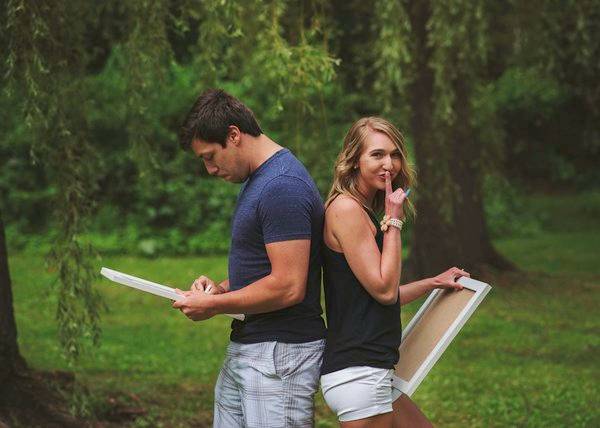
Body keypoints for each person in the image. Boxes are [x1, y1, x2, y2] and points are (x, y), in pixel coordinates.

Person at [173, 89, 326, 427]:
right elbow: (266, 268)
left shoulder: (282, 185)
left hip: (279, 355)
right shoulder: (260, 179)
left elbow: (288, 286)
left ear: (233, 135)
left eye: (210, 156)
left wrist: (213, 306)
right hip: (251, 344)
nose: (210, 169)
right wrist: (221, 289)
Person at [320, 117, 470, 427]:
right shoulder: (347, 209)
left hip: (372, 371)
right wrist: (394, 221)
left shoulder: (359, 210)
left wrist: (433, 283)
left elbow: (375, 296)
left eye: (395, 154)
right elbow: (384, 290)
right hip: (361, 372)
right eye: (377, 154)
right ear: (354, 160)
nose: (389, 164)